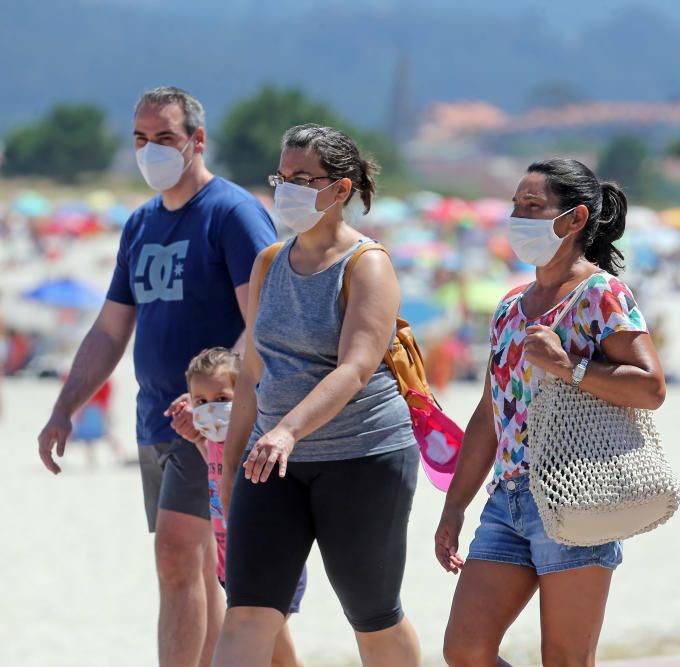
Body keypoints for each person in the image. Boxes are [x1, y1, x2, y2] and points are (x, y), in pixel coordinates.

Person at [36, 86, 277, 667]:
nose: (151, 151)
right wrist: (66, 406)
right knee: (194, 565)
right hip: (154, 418)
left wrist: (216, 402)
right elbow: (110, 329)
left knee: (176, 554)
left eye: (165, 138)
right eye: (141, 139)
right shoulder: (141, 223)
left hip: (212, 421)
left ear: (197, 141)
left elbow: (265, 319)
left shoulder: (232, 212)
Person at [435, 158, 666, 666]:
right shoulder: (511, 306)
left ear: (575, 218)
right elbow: (488, 414)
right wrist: (455, 504)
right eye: (517, 205)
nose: (518, 217)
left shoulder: (601, 294)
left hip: (578, 494)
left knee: (564, 659)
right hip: (509, 500)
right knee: (465, 650)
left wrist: (570, 367)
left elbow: (650, 387)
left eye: (533, 206)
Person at [213, 124, 421, 667]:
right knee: (249, 611)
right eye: (283, 177)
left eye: (304, 178)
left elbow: (355, 367)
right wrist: (230, 463)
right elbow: (254, 371)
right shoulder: (269, 263)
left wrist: (288, 430)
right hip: (271, 461)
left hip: (363, 456)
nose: (289, 189)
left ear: (341, 188)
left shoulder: (367, 265)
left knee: (372, 612)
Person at [185, 347, 305, 667]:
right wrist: (199, 442)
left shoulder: (257, 438)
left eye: (222, 400)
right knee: (278, 654)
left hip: (270, 565)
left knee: (258, 648)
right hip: (231, 568)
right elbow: (218, 478)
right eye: (201, 402)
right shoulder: (212, 443)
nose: (211, 409)